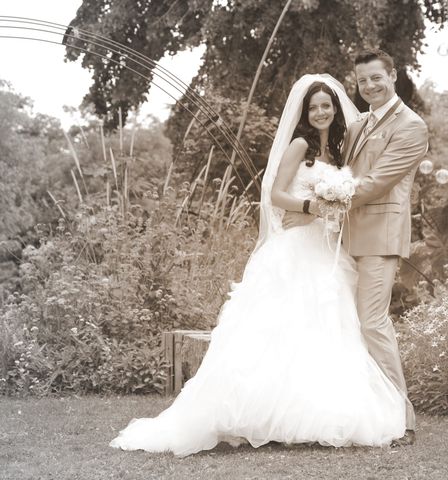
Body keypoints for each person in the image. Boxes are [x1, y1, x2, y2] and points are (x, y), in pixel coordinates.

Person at [109, 74, 407, 457]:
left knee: (327, 323)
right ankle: (261, 413)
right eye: (313, 106)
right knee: (280, 327)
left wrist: (329, 210)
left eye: (326, 105)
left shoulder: (338, 150)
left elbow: (345, 200)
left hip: (326, 247)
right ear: (304, 111)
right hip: (296, 247)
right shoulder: (299, 145)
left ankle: (315, 411)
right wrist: (310, 207)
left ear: (335, 109)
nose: (320, 112)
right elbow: (275, 194)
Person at [283, 50, 428, 446]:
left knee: (372, 322)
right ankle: (365, 411)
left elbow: (375, 182)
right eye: (363, 81)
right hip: (344, 236)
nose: (369, 86)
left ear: (392, 75)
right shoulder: (360, 121)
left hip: (379, 236)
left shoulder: (411, 127)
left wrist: (316, 209)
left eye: (376, 78)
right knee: (345, 324)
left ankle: (402, 416)